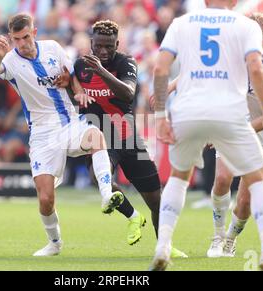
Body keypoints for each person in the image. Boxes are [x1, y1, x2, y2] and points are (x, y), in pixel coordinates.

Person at [150, 0, 263, 271]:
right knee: (259, 182)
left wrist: (160, 116)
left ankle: (162, 246)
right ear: (234, 1)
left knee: (178, 178)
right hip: (229, 113)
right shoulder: (245, 25)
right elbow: (256, 69)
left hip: (188, 112)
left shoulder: (182, 22)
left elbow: (161, 69)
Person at [0, 13, 123, 257]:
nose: (23, 43)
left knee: (96, 137)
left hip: (69, 122)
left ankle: (106, 195)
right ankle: (55, 243)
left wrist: (78, 91)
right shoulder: (10, 60)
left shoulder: (53, 48)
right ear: (11, 38)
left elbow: (71, 75)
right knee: (46, 199)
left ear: (34, 32)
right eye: (17, 39)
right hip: (41, 133)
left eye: (26, 36)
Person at [67, 20, 186, 258]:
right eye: (99, 45)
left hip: (127, 137)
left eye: (108, 46)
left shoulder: (126, 62)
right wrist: (73, 90)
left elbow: (128, 93)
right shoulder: (79, 65)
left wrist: (100, 69)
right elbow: (73, 90)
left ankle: (164, 245)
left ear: (117, 44)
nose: (103, 51)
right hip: (99, 137)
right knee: (99, 180)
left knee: (155, 198)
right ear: (91, 43)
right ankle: (133, 216)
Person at [206, 12, 263, 258]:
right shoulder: (233, 59)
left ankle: (230, 240)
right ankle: (217, 237)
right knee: (222, 179)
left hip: (261, 134)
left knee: (244, 201)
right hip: (233, 125)